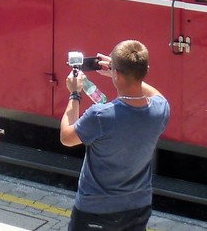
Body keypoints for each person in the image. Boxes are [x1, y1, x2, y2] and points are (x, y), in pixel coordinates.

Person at [59, 40, 170, 231]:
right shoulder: (160, 110)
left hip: (96, 211)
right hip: (138, 208)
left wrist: (75, 94)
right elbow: (158, 95)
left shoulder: (101, 115)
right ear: (146, 70)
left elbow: (67, 137)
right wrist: (126, 72)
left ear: (116, 74)